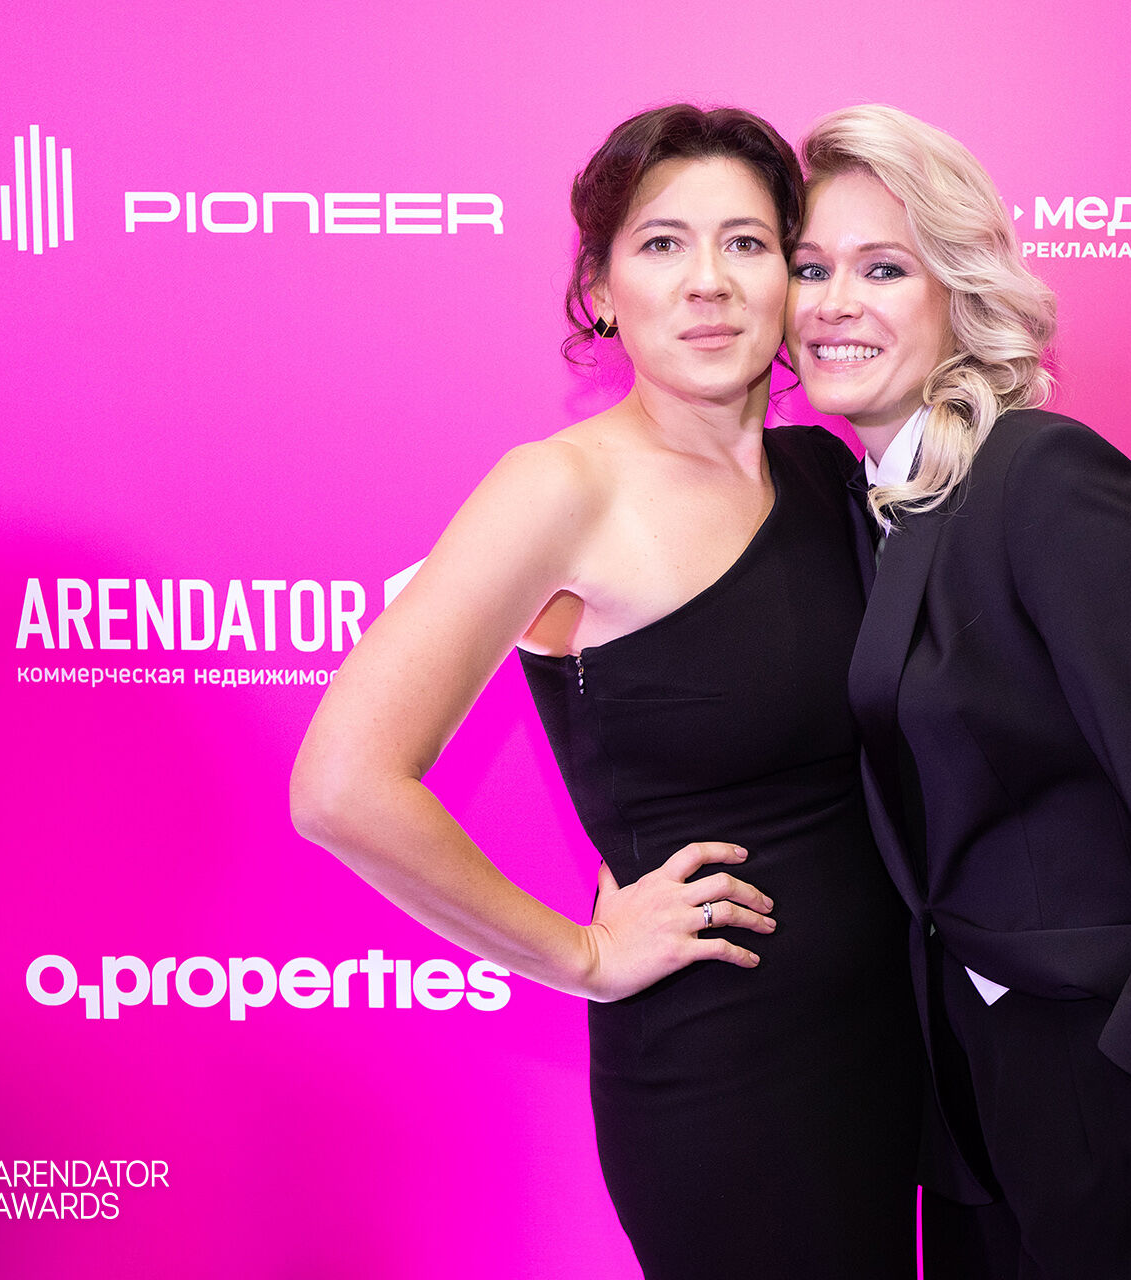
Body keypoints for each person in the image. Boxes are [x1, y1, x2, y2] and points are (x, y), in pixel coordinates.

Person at [290, 104, 919, 1280]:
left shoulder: (825, 466)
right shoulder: (559, 489)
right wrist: (578, 954)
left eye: (746, 243)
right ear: (601, 286)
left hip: (889, 1048)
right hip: (728, 1080)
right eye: (662, 243)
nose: (708, 282)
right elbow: (342, 783)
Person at [785, 104, 1131, 1279]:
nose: (836, 302)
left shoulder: (1045, 478)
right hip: (972, 1080)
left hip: (1116, 1068)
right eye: (809, 268)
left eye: (883, 268)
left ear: (960, 291)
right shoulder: (882, 507)